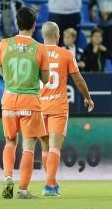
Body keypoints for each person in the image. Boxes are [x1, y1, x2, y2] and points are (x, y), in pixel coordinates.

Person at [37, 21, 94, 197]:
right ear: (57, 35)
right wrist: (87, 97)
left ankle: (52, 183)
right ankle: (48, 185)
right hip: (57, 106)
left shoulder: (35, 54)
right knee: (55, 148)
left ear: (42, 35)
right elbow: (78, 80)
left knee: (45, 148)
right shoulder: (66, 54)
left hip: (38, 106)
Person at [0, 6, 47, 200]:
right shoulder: (40, 48)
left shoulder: (4, 44)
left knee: (10, 141)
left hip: (9, 99)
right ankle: (23, 190)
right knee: (28, 146)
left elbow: (1, 71)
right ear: (34, 25)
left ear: (17, 24)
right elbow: (47, 78)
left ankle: (8, 176)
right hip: (30, 101)